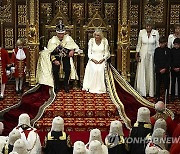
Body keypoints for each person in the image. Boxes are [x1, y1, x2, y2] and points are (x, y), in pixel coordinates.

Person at [49, 20, 79, 93]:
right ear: (56, 33)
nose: (61, 35)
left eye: (62, 33)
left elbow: (76, 47)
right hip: (56, 58)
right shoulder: (52, 40)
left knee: (67, 69)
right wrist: (54, 60)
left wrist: (72, 50)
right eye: (59, 34)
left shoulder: (68, 38)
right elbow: (49, 52)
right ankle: (57, 85)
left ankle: (66, 84)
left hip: (66, 57)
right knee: (55, 70)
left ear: (64, 33)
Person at [134, 19, 159, 97]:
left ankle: (150, 91)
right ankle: (142, 91)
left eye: (150, 25)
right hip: (143, 54)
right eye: (147, 25)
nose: (148, 27)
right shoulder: (141, 32)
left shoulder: (156, 32)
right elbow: (139, 44)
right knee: (142, 71)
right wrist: (137, 54)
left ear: (152, 26)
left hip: (152, 55)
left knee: (150, 71)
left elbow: (157, 45)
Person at [83, 28, 110, 93]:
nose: (96, 37)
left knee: (100, 70)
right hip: (93, 59)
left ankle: (100, 88)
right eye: (95, 35)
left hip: (102, 59)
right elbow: (89, 53)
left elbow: (107, 52)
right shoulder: (91, 41)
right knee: (94, 69)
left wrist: (103, 59)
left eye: (98, 35)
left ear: (101, 36)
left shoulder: (104, 41)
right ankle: (91, 87)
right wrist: (93, 59)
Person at [154, 36, 171, 102]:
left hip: (166, 71)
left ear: (166, 43)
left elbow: (169, 61)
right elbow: (156, 60)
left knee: (166, 84)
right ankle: (157, 97)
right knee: (158, 84)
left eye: (162, 43)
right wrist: (159, 69)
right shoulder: (157, 50)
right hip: (158, 71)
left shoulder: (168, 50)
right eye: (160, 43)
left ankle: (166, 98)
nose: (161, 44)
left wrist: (165, 69)